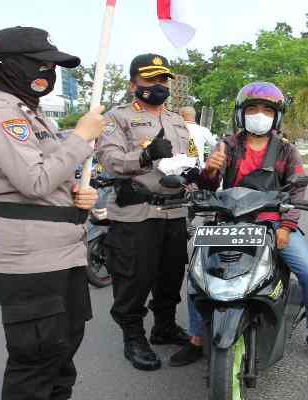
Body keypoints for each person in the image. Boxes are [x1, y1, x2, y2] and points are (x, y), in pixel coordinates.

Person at [0, 26, 105, 399]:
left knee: (61, 358)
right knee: (37, 366)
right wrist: (81, 136)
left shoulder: (31, 113)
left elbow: (50, 179)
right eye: (40, 64)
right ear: (6, 66)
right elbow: (35, 182)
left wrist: (76, 193)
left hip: (62, 253)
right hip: (29, 260)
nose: (48, 72)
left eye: (51, 66)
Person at [169, 82, 308, 368]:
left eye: (266, 110)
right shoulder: (226, 145)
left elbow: (297, 190)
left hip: (273, 223)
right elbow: (208, 186)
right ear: (241, 113)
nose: (259, 115)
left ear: (276, 116)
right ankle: (197, 338)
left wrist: (286, 226)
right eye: (252, 109)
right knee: (198, 275)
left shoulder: (286, 150)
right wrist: (210, 169)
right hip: (228, 221)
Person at [96, 53, 194, 371]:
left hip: (175, 211)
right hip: (137, 213)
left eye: (163, 79)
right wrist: (145, 155)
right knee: (134, 280)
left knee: (170, 277)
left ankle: (164, 327)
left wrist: (197, 174)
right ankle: (133, 337)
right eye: (151, 78)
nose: (159, 84)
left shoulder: (177, 120)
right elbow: (110, 159)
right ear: (133, 84)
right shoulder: (117, 117)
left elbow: (191, 155)